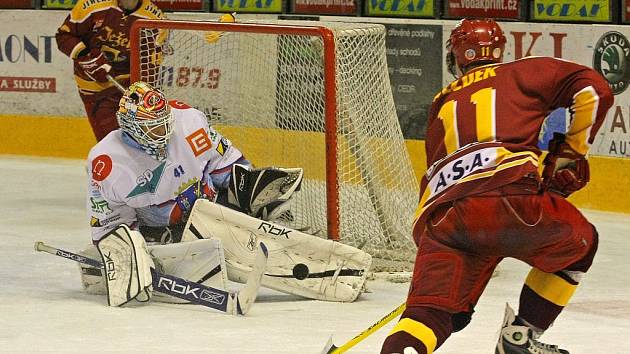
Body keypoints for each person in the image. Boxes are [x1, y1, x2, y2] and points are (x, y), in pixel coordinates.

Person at [381, 19, 613, 354]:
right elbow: (594, 91)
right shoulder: (521, 72)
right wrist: (569, 155)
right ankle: (520, 336)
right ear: (499, 50)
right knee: (581, 244)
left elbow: (446, 178)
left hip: (443, 220)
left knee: (429, 316)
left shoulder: (440, 102)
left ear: (457, 57)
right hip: (511, 200)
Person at [83, 81, 371, 307]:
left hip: (211, 209)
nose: (164, 130)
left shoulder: (188, 121)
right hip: (166, 235)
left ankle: (315, 256)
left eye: (164, 121)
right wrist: (133, 252)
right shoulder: (107, 164)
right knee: (230, 242)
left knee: (267, 204)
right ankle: (310, 269)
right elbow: (109, 225)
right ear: (132, 127)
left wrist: (248, 187)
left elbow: (226, 163)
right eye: (154, 127)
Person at [56, 0, 166, 141]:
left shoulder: (155, 20)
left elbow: (149, 66)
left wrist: (141, 93)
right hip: (94, 88)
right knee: (110, 142)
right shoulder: (90, 6)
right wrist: (85, 56)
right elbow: (64, 36)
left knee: (139, 143)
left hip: (129, 89)